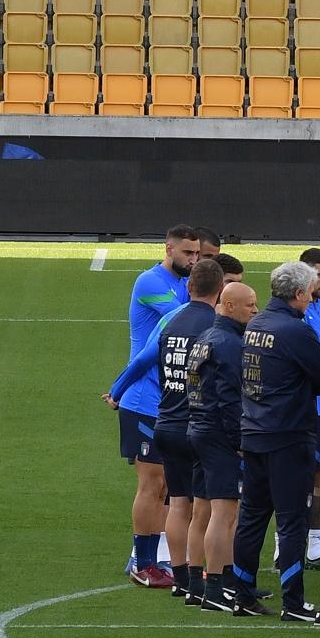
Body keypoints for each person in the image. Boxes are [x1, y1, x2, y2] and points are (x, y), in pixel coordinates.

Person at [231, 260, 320, 621]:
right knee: (292, 520)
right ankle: (293, 602)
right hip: (289, 436)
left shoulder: (256, 324)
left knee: (252, 517)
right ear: (299, 293)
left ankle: (242, 594)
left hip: (254, 431)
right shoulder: (296, 331)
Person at [127, 254, 227, 601]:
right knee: (207, 507)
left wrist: (118, 389)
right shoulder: (217, 326)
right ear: (221, 290)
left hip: (165, 420)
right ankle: (206, 582)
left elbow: (144, 359)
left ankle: (180, 576)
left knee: (177, 501)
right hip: (198, 424)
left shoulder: (171, 320)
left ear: (188, 286)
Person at [108, 223, 198, 587]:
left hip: (171, 396)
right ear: (168, 249)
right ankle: (140, 561)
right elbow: (183, 318)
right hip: (145, 396)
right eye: (187, 253)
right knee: (152, 482)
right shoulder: (151, 283)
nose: (192, 260)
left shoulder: (181, 283)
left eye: (196, 255)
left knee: (166, 485)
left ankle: (155, 557)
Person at [189, 277, 254, 612]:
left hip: (198, 426)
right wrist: (240, 440)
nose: (255, 310)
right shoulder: (229, 343)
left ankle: (195, 585)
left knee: (201, 508)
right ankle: (214, 588)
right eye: (250, 305)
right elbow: (230, 399)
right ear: (229, 306)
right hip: (218, 433)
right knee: (224, 512)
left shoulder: (205, 337)